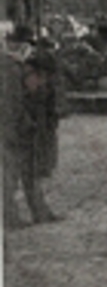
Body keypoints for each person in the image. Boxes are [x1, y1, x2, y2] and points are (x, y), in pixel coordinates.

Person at [3, 28, 60, 227]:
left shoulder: (17, 67)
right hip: (14, 131)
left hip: (23, 130)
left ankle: (39, 212)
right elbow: (13, 104)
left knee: (29, 171)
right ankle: (10, 217)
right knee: (11, 174)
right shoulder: (10, 68)